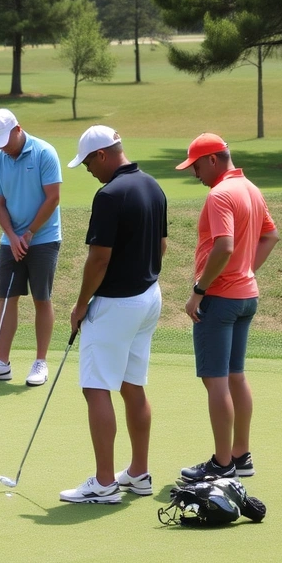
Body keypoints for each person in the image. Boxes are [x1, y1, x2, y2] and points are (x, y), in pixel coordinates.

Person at [57, 126, 167, 504]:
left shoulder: (108, 195)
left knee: (96, 386)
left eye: (88, 161)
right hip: (149, 297)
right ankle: (138, 473)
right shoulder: (153, 185)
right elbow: (162, 246)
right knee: (132, 385)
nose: (87, 169)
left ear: (102, 154)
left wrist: (80, 303)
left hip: (117, 304)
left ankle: (105, 483)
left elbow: (98, 258)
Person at [174, 133, 279, 483]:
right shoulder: (250, 188)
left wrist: (199, 290)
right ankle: (241, 455)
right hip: (246, 296)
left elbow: (224, 246)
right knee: (235, 375)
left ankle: (222, 463)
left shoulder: (220, 194)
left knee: (215, 380)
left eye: (197, 165)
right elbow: (270, 236)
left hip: (219, 299)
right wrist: (245, 270)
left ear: (214, 160)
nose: (195, 173)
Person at [0, 108, 63, 387]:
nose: (2, 147)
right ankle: (1, 363)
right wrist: (12, 236)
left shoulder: (44, 152)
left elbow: (53, 198)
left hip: (44, 237)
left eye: (5, 140)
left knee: (41, 298)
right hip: (10, 239)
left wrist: (30, 233)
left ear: (18, 129)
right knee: (6, 298)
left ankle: (40, 362)